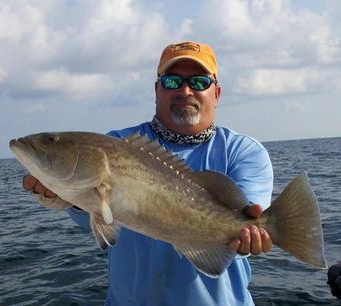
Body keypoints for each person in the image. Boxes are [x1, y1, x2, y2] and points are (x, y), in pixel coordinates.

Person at [23, 41, 274, 306]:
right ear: (157, 90)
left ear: (217, 93)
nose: (185, 90)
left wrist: (251, 236)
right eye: (172, 81)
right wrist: (69, 199)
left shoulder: (243, 151)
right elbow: (100, 220)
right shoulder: (117, 143)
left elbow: (248, 221)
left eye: (199, 82)